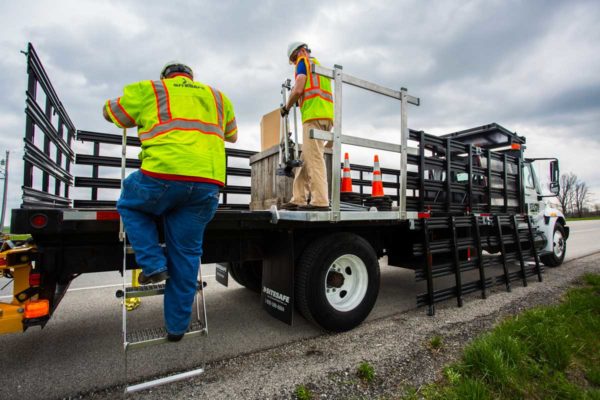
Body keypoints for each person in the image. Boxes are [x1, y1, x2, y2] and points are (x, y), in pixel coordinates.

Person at [103, 61, 237, 341]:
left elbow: (111, 112)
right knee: (187, 256)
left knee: (129, 204)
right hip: (207, 184)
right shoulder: (218, 97)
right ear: (192, 77)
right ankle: (176, 329)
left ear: (165, 76)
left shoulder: (151, 89)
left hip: (162, 175)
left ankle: (152, 264)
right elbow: (232, 135)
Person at [280, 42, 334, 211]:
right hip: (325, 117)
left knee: (314, 159)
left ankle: (320, 201)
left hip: (313, 117)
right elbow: (312, 91)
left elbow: (298, 89)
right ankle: (299, 198)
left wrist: (286, 107)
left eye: (294, 58)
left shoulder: (303, 62)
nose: (295, 62)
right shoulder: (318, 66)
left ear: (300, 52)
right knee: (305, 158)